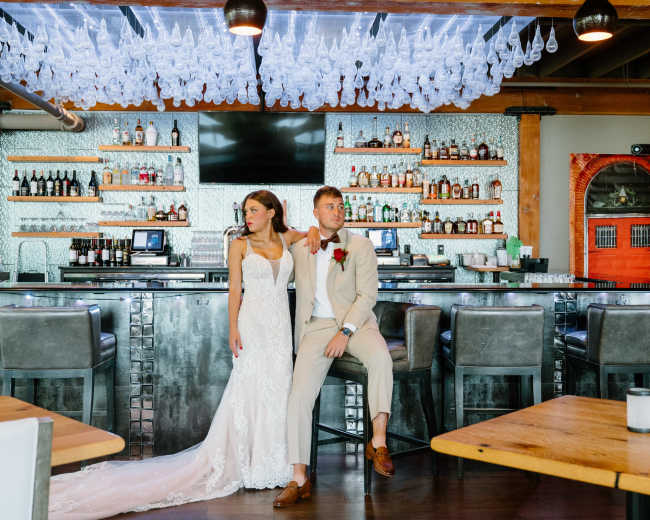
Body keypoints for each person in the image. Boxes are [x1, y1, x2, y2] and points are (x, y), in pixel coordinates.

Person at [48, 190, 320, 519]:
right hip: (253, 325)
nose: (247, 215)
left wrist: (315, 231)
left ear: (271, 212)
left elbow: (311, 233)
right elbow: (234, 290)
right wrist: (232, 328)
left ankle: (280, 465)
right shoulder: (239, 244)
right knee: (250, 391)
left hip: (280, 328)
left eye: (253, 210)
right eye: (246, 210)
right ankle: (248, 464)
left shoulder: (285, 237)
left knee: (279, 393)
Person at [273, 186, 395, 508]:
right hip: (315, 328)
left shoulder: (361, 245)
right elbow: (274, 238)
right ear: (316, 213)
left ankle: (378, 442)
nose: (338, 211)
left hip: (356, 323)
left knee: (381, 358)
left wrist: (345, 331)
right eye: (330, 206)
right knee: (299, 396)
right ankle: (299, 478)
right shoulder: (301, 247)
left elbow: (368, 295)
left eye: (341, 206)